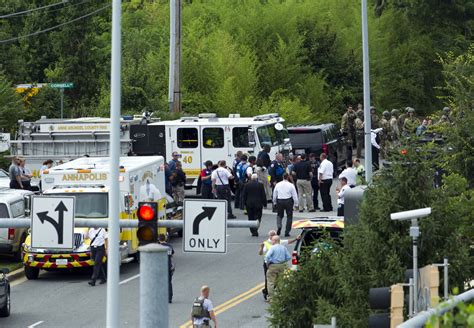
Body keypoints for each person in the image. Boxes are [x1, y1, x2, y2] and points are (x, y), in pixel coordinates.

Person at [258, 230, 300, 300]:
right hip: (273, 264)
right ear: (270, 236)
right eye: (271, 235)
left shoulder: (278, 242)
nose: (272, 236)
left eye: (273, 235)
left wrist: (296, 239)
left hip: (271, 264)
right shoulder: (267, 243)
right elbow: (260, 253)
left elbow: (288, 241)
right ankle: (268, 292)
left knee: (271, 281)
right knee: (272, 280)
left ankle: (270, 295)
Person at [264, 235, 291, 302]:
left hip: (273, 265)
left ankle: (271, 298)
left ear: (275, 240)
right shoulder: (283, 248)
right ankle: (280, 296)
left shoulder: (272, 248)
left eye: (272, 240)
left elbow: (267, 256)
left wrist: (268, 262)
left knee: (270, 282)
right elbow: (288, 257)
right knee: (280, 281)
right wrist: (283, 261)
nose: (271, 241)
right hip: (281, 265)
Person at [158, 234, 175, 303]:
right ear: (165, 239)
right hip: (168, 266)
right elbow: (172, 254)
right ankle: (169, 298)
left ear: (159, 239)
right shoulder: (169, 246)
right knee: (169, 282)